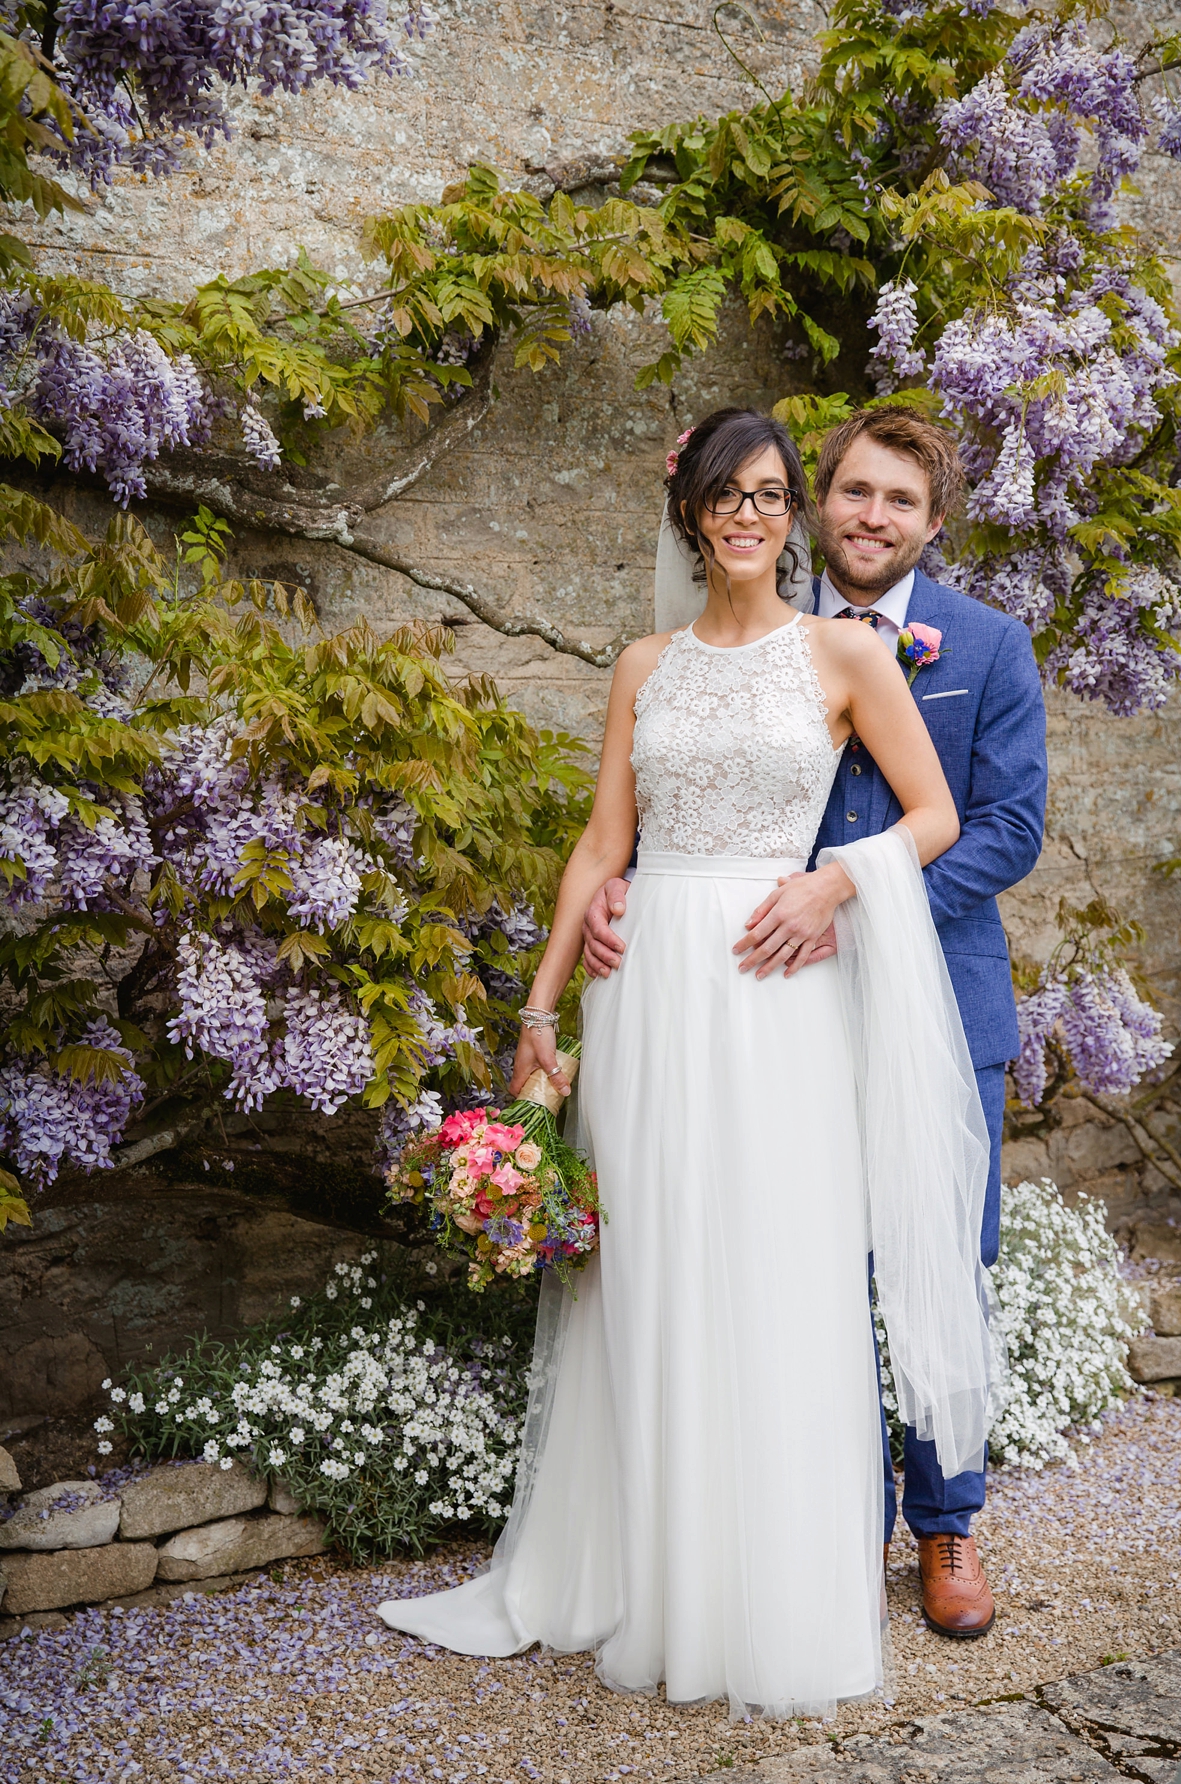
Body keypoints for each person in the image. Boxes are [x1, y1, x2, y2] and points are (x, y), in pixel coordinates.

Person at [377, 406, 1006, 1718]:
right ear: (691, 510)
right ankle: (657, 1570)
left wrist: (838, 884)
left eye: (772, 495)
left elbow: (939, 812)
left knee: (777, 1268)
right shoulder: (641, 664)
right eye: (728, 494)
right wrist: (541, 1009)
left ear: (797, 515)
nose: (749, 516)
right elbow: (604, 846)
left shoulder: (842, 652)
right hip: (650, 987)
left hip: (776, 987)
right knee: (652, 1267)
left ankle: (767, 1594)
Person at [583, 405, 1048, 1641]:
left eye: (901, 501)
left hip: (933, 1001)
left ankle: (946, 1529)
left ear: (933, 524)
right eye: (853, 492)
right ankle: (816, 1528)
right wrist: (645, 880)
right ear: (815, 503)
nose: (872, 516)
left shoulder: (990, 650)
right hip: (764, 1005)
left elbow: (1003, 827)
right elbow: (683, 796)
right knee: (792, 1270)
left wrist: (855, 895)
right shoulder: (740, 643)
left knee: (939, 1262)